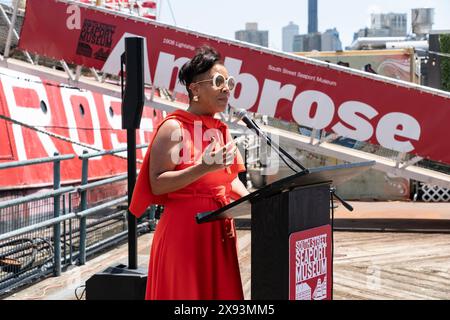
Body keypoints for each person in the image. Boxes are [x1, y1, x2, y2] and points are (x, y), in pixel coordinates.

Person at [129, 45, 249, 300]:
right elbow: (157, 184)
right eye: (218, 81)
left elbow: (232, 182)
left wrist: (262, 204)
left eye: (229, 82)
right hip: (185, 233)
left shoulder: (220, 128)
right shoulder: (174, 127)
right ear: (195, 89)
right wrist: (202, 167)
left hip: (218, 231)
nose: (227, 88)